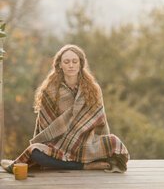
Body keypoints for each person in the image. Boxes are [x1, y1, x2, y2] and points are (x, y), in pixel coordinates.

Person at [1, 44, 130, 173]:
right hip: (58, 144)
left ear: (81, 64)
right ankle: (84, 166)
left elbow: (101, 120)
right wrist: (54, 142)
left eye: (75, 61)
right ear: (60, 65)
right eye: (66, 62)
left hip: (85, 143)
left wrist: (103, 145)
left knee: (114, 143)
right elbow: (44, 125)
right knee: (35, 153)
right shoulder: (49, 90)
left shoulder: (93, 89)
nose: (71, 65)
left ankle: (73, 161)